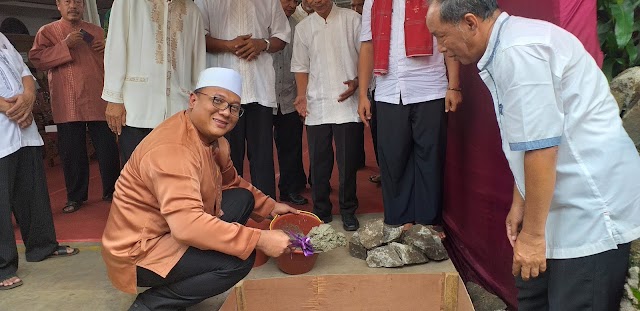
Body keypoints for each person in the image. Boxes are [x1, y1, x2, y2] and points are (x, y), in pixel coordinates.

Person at [425, 0, 640, 309]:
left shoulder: (519, 52)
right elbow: (528, 140)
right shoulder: (505, 47)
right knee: (532, 296)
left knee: (573, 301)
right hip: (555, 204)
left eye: (441, 36)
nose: (440, 48)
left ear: (471, 22)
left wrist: (533, 236)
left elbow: (542, 148)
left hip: (589, 210)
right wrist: (520, 201)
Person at [101, 67, 297, 310]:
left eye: (234, 108)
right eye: (217, 100)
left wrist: (272, 207)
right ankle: (151, 305)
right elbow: (187, 226)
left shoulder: (214, 140)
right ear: (193, 100)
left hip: (170, 227)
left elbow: (231, 182)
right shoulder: (173, 150)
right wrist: (260, 238)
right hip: (139, 249)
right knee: (239, 260)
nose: (225, 112)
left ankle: (192, 267)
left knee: (243, 198)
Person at [358, 0, 462, 230]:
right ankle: (399, 220)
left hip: (430, 88)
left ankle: (428, 222)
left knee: (430, 158)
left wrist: (453, 86)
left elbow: (448, 38)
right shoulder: (371, 2)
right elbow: (367, 45)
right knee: (393, 159)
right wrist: (363, 94)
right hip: (388, 91)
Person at [0, 32, 79, 290]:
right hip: (4, 124)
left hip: (23, 129)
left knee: (31, 191)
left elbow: (24, 71)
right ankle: (2, 267)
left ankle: (42, 246)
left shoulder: (1, 37)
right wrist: (10, 107)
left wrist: (28, 98)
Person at [29, 0, 120, 213]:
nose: (73, 6)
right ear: (58, 5)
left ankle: (113, 191)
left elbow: (116, 60)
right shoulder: (48, 32)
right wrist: (65, 45)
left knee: (107, 149)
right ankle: (75, 197)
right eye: (67, 1)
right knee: (72, 151)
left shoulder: (96, 32)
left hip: (98, 98)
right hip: (67, 99)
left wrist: (109, 46)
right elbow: (37, 60)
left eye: (78, 2)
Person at [194, 0, 291, 199]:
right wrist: (227, 45)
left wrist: (261, 44)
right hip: (222, 94)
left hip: (259, 89)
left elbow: (282, 36)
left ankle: (267, 211)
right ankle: (228, 209)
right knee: (225, 156)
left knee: (262, 157)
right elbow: (198, 37)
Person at [102, 0, 205, 164]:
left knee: (175, 175)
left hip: (179, 111)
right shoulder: (128, 3)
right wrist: (114, 98)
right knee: (139, 178)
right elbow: (116, 48)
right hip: (136, 109)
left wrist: (199, 107)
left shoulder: (192, 11)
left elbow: (198, 62)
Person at [291, 0, 362, 231]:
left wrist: (359, 83)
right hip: (317, 103)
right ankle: (321, 210)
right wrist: (301, 96)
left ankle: (348, 210)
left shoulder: (353, 20)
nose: (316, 1)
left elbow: (365, 57)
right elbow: (301, 66)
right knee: (319, 162)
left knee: (347, 162)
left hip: (347, 103)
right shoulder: (303, 28)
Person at [272, 0, 309, 206]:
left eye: (296, 1)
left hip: (290, 96)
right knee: (259, 151)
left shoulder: (300, 25)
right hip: (265, 96)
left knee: (291, 146)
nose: (292, 5)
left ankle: (290, 189)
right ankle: (263, 193)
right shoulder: (263, 22)